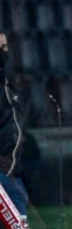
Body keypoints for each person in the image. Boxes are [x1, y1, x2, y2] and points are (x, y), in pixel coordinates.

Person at [0, 33, 29, 216]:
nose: (4, 53)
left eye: (5, 47)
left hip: (10, 164)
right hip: (3, 164)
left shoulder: (7, 84)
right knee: (17, 204)